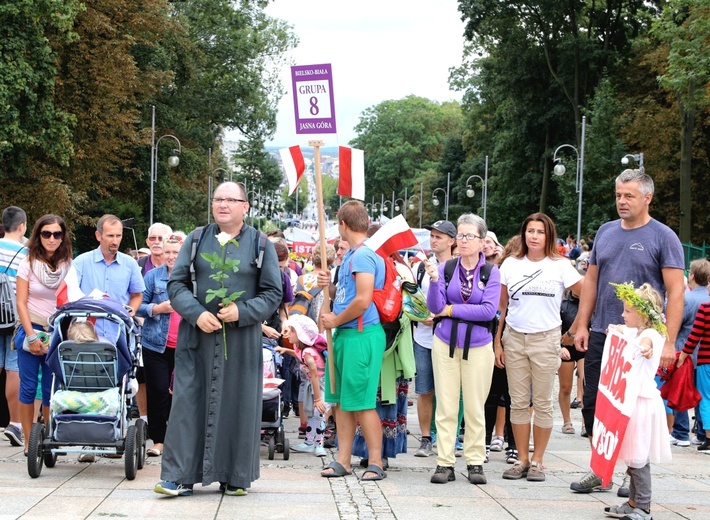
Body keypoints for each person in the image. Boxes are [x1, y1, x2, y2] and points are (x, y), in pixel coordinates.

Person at [154, 182, 282, 497]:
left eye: (230, 199)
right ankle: (179, 475)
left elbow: (272, 292)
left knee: (238, 403)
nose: (223, 204)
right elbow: (177, 284)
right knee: (187, 403)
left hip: (240, 341)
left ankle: (235, 474)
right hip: (196, 338)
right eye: (218, 199)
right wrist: (196, 313)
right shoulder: (196, 240)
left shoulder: (260, 244)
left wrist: (243, 310)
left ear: (245, 206)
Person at [568, 169, 685, 494]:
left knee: (629, 409)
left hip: (638, 340)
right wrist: (582, 324)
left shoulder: (664, 237)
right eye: (619, 194)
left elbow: (676, 291)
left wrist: (669, 342)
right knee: (593, 405)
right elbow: (591, 280)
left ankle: (630, 477)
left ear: (647, 197)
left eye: (629, 195)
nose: (622, 201)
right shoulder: (605, 231)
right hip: (603, 332)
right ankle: (600, 469)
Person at [494, 213, 582, 482]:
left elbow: (586, 293)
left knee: (543, 403)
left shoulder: (560, 265)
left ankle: (538, 460)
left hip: (546, 339)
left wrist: (574, 329)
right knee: (518, 402)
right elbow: (502, 307)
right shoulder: (510, 264)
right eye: (530, 230)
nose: (534, 236)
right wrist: (498, 342)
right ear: (524, 234)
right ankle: (521, 458)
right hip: (515, 338)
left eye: (540, 232)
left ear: (549, 236)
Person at [425, 213, 500, 486]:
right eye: (460, 235)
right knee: (445, 404)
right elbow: (435, 307)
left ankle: (475, 461)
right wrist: (434, 281)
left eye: (470, 236)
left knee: (474, 406)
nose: (464, 240)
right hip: (445, 341)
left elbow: (488, 310)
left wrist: (452, 309)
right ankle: (445, 462)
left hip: (479, 345)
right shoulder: (447, 268)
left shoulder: (491, 272)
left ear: (482, 241)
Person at [316, 200, 387, 481]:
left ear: (343, 224)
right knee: (342, 402)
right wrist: (326, 288)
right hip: (346, 335)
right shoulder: (350, 256)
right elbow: (343, 297)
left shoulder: (363, 256)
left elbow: (363, 300)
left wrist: (335, 319)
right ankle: (343, 460)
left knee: (362, 402)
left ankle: (376, 462)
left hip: (360, 335)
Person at [72, 214, 146, 462]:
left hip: (117, 335)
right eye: (110, 236)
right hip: (85, 334)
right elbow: (70, 294)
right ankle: (86, 443)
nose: (115, 240)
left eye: (118, 236)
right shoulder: (81, 262)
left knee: (115, 385)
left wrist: (132, 309)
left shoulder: (129, 264)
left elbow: (136, 294)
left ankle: (112, 435)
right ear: (98, 235)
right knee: (84, 385)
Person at [602, 283, 672, 520]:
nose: (623, 314)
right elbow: (622, 329)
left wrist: (646, 350)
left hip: (641, 403)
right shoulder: (637, 331)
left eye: (628, 311)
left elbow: (647, 345)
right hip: (630, 400)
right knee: (632, 455)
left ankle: (644, 506)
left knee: (638, 457)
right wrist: (617, 328)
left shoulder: (650, 335)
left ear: (642, 314)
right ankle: (633, 502)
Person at [15, 215, 72, 456]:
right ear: (38, 235)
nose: (51, 238)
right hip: (31, 328)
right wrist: (30, 336)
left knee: (52, 389)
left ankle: (49, 438)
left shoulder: (68, 264)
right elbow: (20, 302)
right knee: (28, 388)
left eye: (56, 234)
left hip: (56, 331)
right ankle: (29, 441)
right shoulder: (27, 262)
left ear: (63, 237)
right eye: (46, 233)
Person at [136, 234, 184, 457]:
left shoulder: (193, 278)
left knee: (182, 393)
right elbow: (137, 306)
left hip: (186, 344)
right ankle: (158, 440)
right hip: (155, 344)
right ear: (161, 253)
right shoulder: (152, 277)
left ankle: (177, 437)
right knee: (157, 392)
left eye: (176, 252)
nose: (171, 256)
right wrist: (156, 309)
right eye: (168, 252)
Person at [412, 220, 456, 458]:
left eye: (440, 236)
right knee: (424, 390)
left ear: (452, 241)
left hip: (448, 336)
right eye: (432, 235)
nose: (434, 239)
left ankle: (447, 436)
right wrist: (419, 315)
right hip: (423, 336)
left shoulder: (457, 267)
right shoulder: (422, 267)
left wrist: (438, 314)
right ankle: (425, 438)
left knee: (448, 390)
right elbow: (415, 297)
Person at [670, 259, 710, 446]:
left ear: (691, 276)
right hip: (704, 356)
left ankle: (681, 431)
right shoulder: (706, 299)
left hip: (686, 351)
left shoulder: (687, 299)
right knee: (703, 395)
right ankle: (702, 433)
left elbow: (678, 324)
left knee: (682, 390)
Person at [276, 314, 328, 457]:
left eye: (292, 331)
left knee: (319, 412)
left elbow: (315, 374)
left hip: (321, 384)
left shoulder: (308, 354)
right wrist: (286, 350)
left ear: (301, 334)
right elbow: (299, 355)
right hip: (314, 383)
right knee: (312, 413)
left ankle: (319, 444)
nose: (288, 334)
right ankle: (309, 442)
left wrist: (318, 399)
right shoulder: (300, 348)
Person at [0, 206, 28, 447]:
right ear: (22, 226)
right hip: (14, 319)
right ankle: (15, 424)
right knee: (13, 370)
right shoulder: (24, 254)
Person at [678, 297, 710, 452]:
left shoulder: (705, 308)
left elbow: (694, 336)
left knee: (706, 399)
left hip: (706, 361)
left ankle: (708, 438)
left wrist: (683, 356)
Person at [558, 285, 585, 434]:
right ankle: (566, 421)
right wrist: (559, 347)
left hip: (584, 347)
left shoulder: (590, 303)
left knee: (586, 383)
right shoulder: (563, 304)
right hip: (566, 346)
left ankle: (585, 422)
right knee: (565, 387)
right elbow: (556, 327)